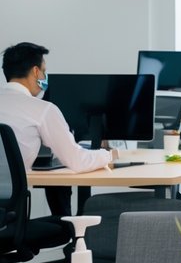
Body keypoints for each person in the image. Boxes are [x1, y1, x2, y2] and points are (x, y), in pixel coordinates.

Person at [0, 42, 116, 217]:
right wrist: (109, 155)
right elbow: (77, 161)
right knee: (62, 225)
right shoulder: (42, 109)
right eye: (44, 71)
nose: (45, 77)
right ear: (35, 71)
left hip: (6, 216)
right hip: (10, 218)